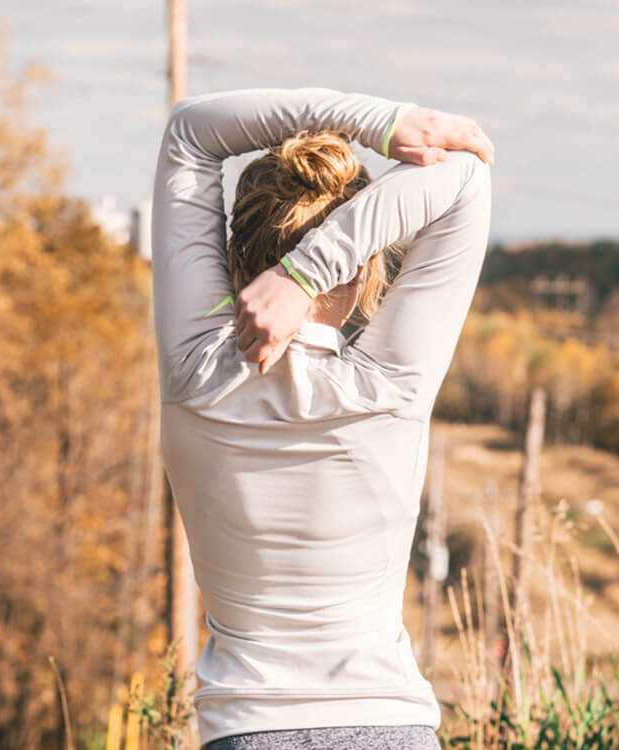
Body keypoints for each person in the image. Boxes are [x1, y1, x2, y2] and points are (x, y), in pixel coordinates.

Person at [149, 88, 493, 750]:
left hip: (247, 732)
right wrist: (307, 275)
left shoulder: (194, 373)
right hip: (390, 729)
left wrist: (380, 126)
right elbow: (466, 177)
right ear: (364, 264)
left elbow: (190, 132)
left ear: (234, 248)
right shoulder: (387, 387)